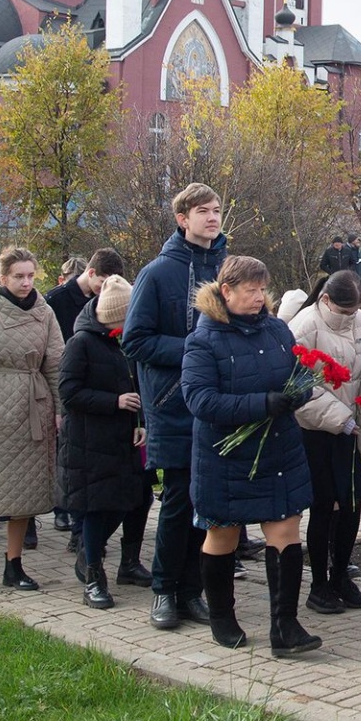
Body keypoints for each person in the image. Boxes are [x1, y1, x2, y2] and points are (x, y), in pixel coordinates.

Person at [183, 254, 326, 656]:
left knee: (285, 533)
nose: (259, 298)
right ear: (226, 292)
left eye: (263, 290)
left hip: (278, 451)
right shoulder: (204, 339)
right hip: (224, 458)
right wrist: (262, 404)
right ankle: (222, 616)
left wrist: (299, 392)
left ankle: (285, 626)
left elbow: (296, 374)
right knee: (223, 534)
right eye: (250, 291)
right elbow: (199, 400)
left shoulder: (278, 330)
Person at [124, 184, 228, 630]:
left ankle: (192, 590)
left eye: (217, 210)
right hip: (172, 402)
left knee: (207, 503)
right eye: (202, 211)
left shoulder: (228, 269)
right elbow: (136, 340)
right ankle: (164, 591)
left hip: (219, 405)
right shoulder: (158, 273)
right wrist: (195, 348)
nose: (212, 217)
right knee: (179, 500)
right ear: (182, 218)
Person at [0, 247, 65, 591]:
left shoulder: (45, 313)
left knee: (27, 493)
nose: (25, 283)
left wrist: (60, 409)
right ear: (3, 278)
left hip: (35, 407)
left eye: (30, 276)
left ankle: (14, 563)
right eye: (18, 276)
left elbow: (55, 362)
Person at [58, 274, 152, 609]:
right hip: (90, 442)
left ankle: (130, 563)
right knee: (99, 507)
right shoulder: (81, 343)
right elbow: (69, 393)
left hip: (127, 439)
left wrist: (141, 422)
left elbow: (140, 387)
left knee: (139, 500)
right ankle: (93, 573)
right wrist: (113, 401)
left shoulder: (129, 342)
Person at [288, 269, 361, 615]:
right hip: (313, 432)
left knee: (351, 506)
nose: (349, 317)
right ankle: (319, 584)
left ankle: (341, 574)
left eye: (354, 311)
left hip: (349, 430)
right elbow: (297, 387)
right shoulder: (304, 327)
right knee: (324, 508)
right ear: (325, 299)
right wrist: (340, 419)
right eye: (343, 312)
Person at [45, 247, 126, 542]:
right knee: (72, 459)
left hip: (98, 385)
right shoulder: (56, 301)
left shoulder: (109, 304)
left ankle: (85, 533)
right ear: (90, 273)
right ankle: (67, 514)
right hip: (70, 380)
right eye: (102, 282)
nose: (105, 290)